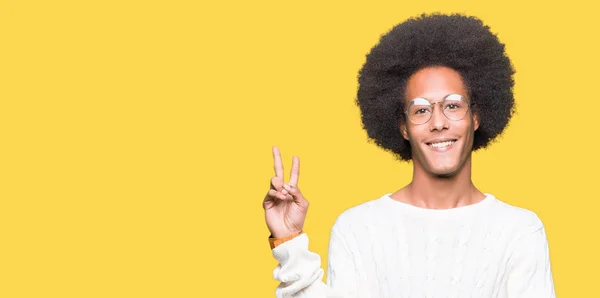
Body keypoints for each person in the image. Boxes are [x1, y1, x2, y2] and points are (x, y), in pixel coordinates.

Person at [262, 13, 555, 298]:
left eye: (453, 105)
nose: (438, 122)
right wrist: (290, 243)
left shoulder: (520, 231)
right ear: (402, 127)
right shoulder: (358, 228)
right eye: (421, 110)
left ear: (476, 117)